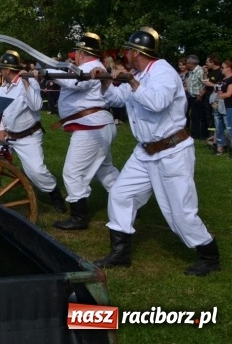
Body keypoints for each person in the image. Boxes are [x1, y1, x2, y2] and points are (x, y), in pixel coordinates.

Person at [92, 27, 220, 276]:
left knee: (180, 212)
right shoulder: (140, 74)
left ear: (136, 52)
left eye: (127, 50)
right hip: (144, 153)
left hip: (172, 151)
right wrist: (106, 81)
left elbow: (157, 102)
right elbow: (118, 99)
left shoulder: (163, 72)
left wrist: (130, 80)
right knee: (120, 194)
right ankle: (120, 254)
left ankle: (209, 255)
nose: (124, 54)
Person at [51, 33, 119, 230]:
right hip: (95, 125)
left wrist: (48, 72)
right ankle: (131, 202)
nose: (74, 58)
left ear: (82, 53)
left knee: (73, 173)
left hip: (91, 127)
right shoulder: (87, 67)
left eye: (76, 54)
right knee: (105, 171)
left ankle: (79, 218)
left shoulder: (89, 68)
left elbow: (73, 82)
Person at [0, 51, 67, 213]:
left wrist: (27, 82)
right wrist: (1, 129)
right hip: (8, 135)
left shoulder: (28, 82)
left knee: (36, 172)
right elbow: (1, 112)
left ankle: (55, 196)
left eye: (1, 69)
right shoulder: (3, 88)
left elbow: (36, 105)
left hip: (28, 137)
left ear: (7, 70)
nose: (0, 71)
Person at [185, 55, 208, 140]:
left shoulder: (200, 71)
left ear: (191, 63)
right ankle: (195, 134)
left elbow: (205, 85)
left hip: (199, 97)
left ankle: (202, 134)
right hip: (192, 97)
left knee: (201, 116)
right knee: (194, 116)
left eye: (187, 63)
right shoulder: (191, 71)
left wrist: (200, 94)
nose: (186, 64)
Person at [212, 60, 232, 156]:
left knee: (229, 128)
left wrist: (217, 97)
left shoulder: (231, 79)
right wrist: (213, 100)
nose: (221, 69)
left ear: (229, 68)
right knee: (219, 127)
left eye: (223, 67)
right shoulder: (221, 80)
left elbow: (228, 94)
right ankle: (219, 148)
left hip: (228, 106)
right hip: (218, 106)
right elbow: (215, 91)